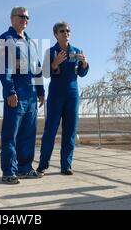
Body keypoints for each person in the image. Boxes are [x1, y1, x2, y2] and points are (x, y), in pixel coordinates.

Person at [0, 6, 45, 184]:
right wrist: (9, 90)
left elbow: (37, 68)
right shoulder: (5, 39)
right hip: (16, 94)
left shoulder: (31, 43)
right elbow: (4, 68)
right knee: (11, 135)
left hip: (31, 96)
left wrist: (41, 91)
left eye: (27, 18)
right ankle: (9, 171)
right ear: (12, 18)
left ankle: (25, 168)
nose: (25, 20)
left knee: (28, 135)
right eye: (22, 16)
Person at [37, 21, 89, 176]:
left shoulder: (76, 50)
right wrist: (55, 63)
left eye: (68, 31)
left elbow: (81, 73)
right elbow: (45, 73)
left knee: (70, 130)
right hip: (56, 94)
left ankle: (66, 165)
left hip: (72, 93)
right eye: (62, 31)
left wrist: (85, 63)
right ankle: (42, 165)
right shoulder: (50, 51)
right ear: (55, 34)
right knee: (50, 130)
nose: (65, 33)